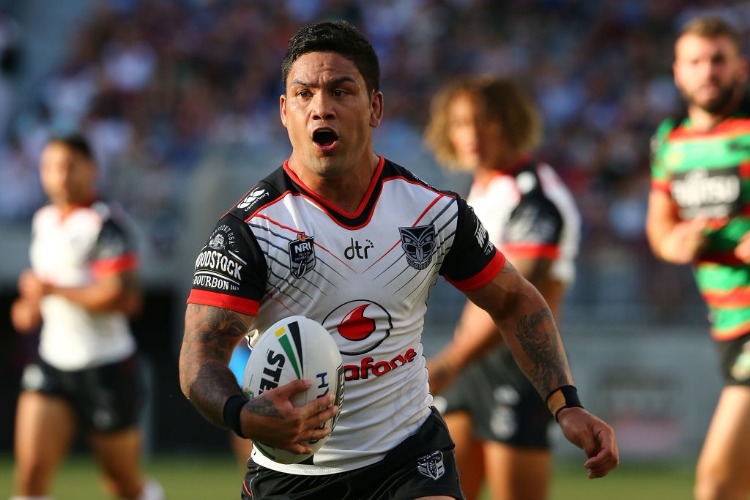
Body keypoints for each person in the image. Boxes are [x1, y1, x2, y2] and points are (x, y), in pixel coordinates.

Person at [178, 20, 618, 500]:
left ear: (375, 107)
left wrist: (566, 404)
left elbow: (515, 302)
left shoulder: (431, 212)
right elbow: (200, 357)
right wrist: (242, 414)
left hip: (408, 458)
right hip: (295, 477)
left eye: (341, 91)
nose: (320, 107)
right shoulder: (248, 232)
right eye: (303, 94)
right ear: (285, 111)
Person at [422, 76, 581, 500]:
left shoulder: (535, 199)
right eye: (460, 122)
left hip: (518, 366)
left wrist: (449, 361)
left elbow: (512, 303)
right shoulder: (482, 189)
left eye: (485, 120)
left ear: (511, 122)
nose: (472, 133)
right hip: (470, 366)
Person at [9, 134, 163, 500]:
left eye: (68, 166)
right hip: (53, 364)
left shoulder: (106, 222)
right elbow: (43, 290)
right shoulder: (44, 219)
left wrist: (53, 292)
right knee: (30, 477)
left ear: (91, 169)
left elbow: (124, 297)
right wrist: (29, 307)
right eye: (49, 167)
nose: (59, 175)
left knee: (122, 484)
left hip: (106, 367)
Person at [646, 15, 750, 500]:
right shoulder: (670, 141)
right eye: (696, 61)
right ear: (678, 72)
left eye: (718, 60)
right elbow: (659, 228)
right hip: (725, 321)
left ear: (740, 68)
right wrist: (677, 243)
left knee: (717, 484)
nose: (708, 71)